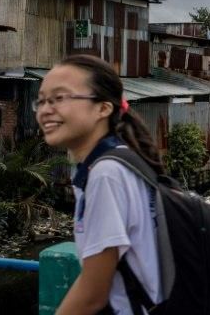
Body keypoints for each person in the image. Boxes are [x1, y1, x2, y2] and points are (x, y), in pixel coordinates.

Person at [34, 54, 164, 314]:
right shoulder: (120, 161)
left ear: (103, 108)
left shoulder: (107, 173)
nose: (45, 109)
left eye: (59, 98)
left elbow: (93, 292)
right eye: (41, 100)